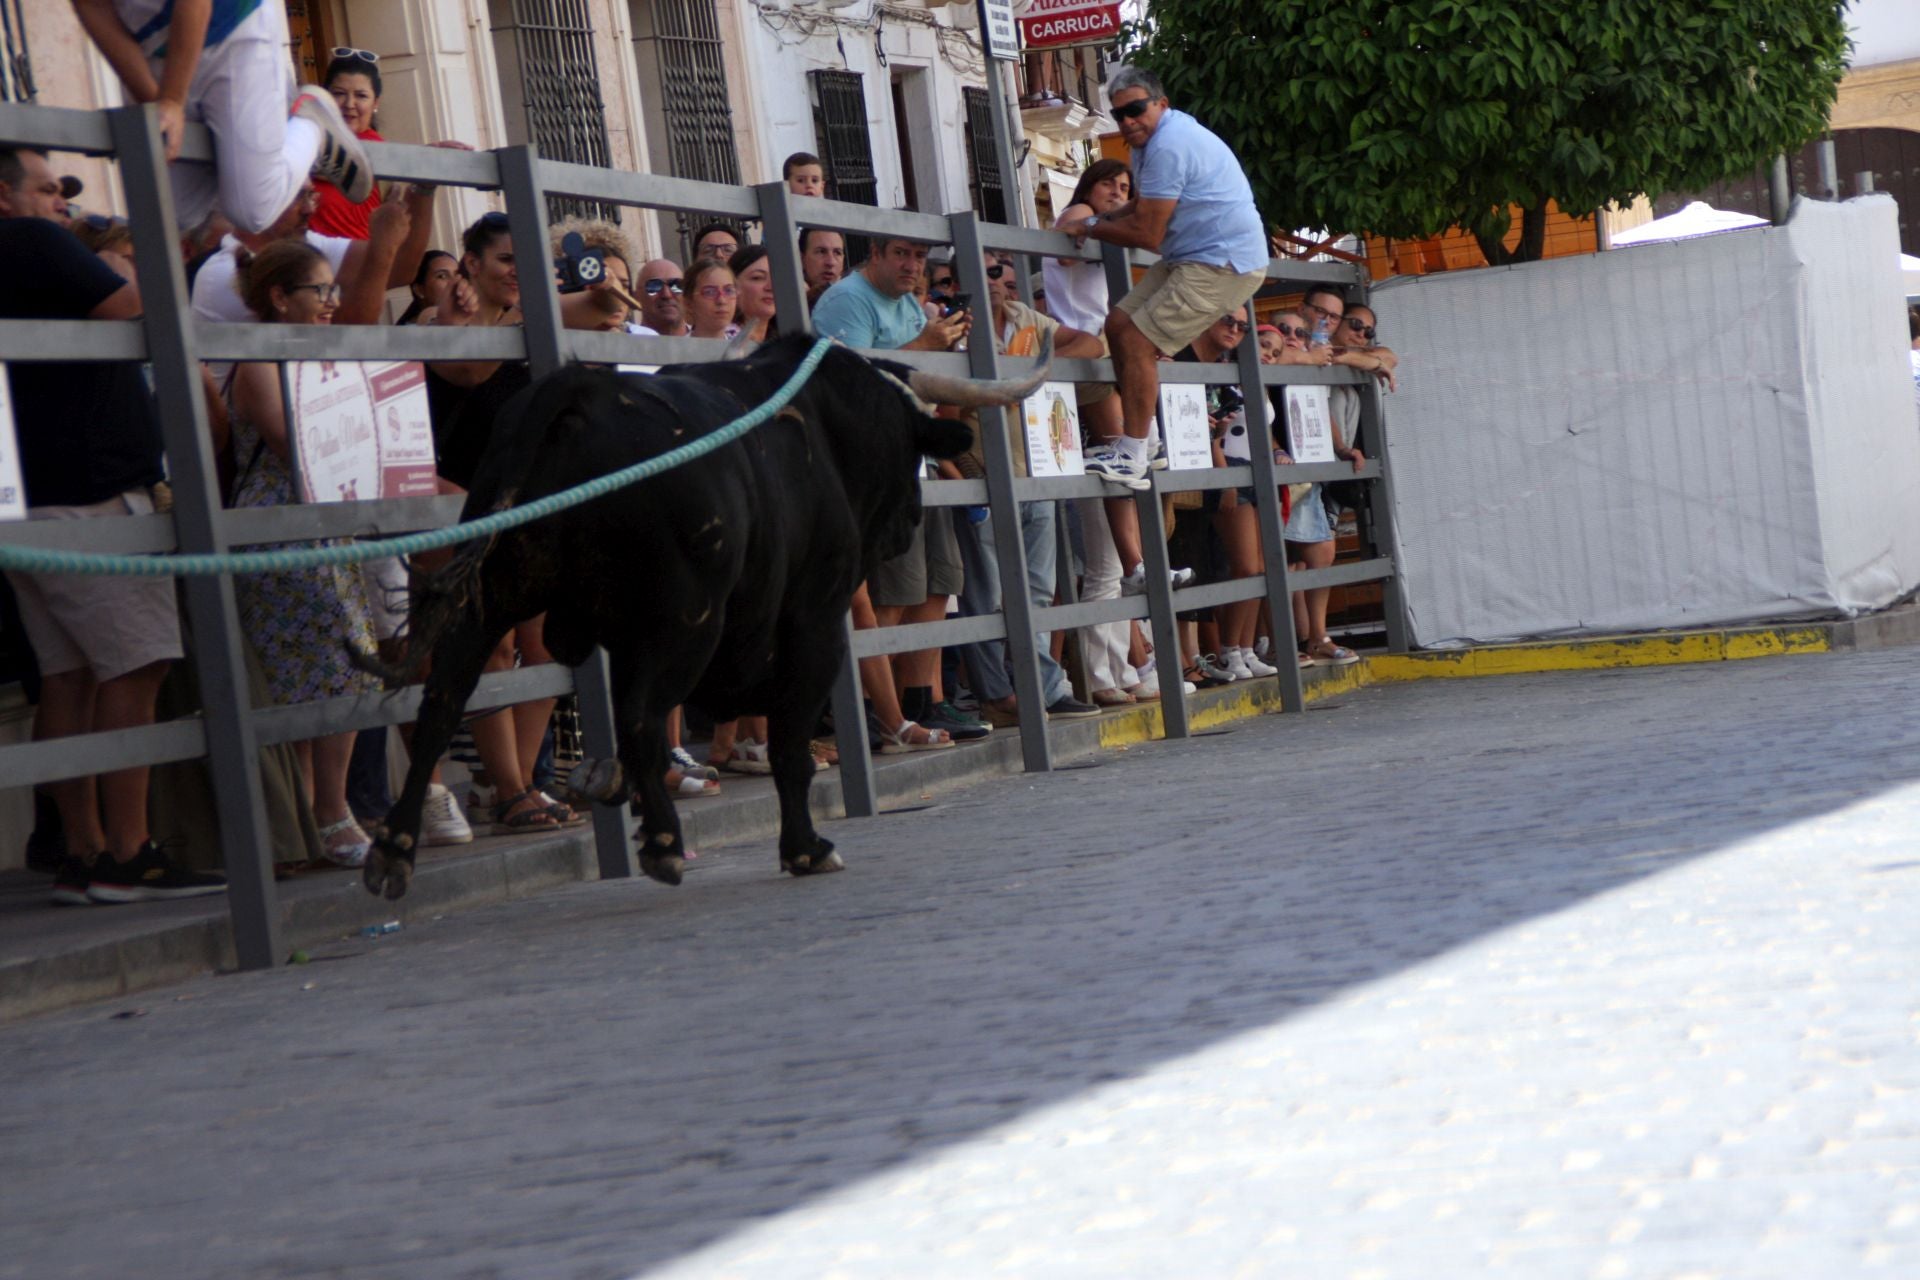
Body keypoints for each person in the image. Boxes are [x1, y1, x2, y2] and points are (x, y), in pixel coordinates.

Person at [0, 166, 226, 904]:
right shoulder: (30, 240)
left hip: (32, 496)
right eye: (44, 188)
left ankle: (84, 850)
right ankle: (126, 853)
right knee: (137, 666)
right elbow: (143, 306)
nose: (63, 201)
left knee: (68, 679)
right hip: (93, 497)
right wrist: (119, 264)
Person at [223, 241, 383, 866]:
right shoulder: (259, 361)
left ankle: (326, 807)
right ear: (279, 297)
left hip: (330, 523)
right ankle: (309, 813)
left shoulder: (326, 356)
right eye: (320, 291)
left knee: (347, 660)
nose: (331, 303)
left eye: (332, 291)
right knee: (298, 668)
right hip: (279, 526)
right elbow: (293, 447)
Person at [1057, 66, 1268, 497]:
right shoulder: (1149, 143)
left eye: (1136, 109)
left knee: (1136, 339)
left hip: (1221, 262)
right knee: (1118, 326)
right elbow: (1140, 207)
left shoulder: (1170, 145)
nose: (1128, 121)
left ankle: (1131, 453)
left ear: (1161, 104)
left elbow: (1147, 235)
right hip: (1192, 256)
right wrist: (1102, 219)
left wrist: (1091, 225)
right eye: (1118, 115)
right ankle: (1146, 440)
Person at [811, 236, 973, 751]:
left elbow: (921, 386)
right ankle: (871, 714)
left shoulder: (907, 303)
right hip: (870, 467)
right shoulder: (846, 300)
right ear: (874, 254)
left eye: (920, 257)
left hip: (917, 458)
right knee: (892, 594)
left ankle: (917, 704)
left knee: (938, 585)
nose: (913, 265)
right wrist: (926, 346)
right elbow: (845, 383)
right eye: (901, 254)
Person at [953, 249, 1105, 724]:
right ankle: (997, 696)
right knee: (986, 594)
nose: (994, 279)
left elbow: (1091, 343)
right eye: (980, 271)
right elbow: (943, 409)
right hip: (981, 475)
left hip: (1036, 471)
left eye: (998, 270)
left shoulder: (1027, 319)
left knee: (1038, 589)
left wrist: (1038, 366)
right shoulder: (953, 330)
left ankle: (1044, 689)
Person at [71, 0, 371, 233]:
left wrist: (173, 100)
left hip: (233, 33)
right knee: (171, 214)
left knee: (252, 209)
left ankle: (311, 124)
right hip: (157, 52)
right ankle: (244, 145)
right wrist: (154, 100)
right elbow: (92, 5)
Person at [1282, 287, 1366, 668]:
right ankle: (1292, 641)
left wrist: (1343, 448)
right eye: (1320, 313)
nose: (1324, 322)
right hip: (1284, 464)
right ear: (1303, 310)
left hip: (1313, 464)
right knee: (1289, 558)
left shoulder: (1323, 356)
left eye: (1333, 316)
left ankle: (1313, 637)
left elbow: (1318, 408)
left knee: (1314, 555)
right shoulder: (1286, 350)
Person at [309, 49, 384, 240]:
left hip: (358, 262)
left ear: (376, 102)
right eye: (339, 94)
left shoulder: (380, 149)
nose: (349, 104)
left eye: (361, 96)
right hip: (305, 260)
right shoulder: (309, 135)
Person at [730, 244, 777, 342]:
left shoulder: (784, 342)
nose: (771, 287)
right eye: (757, 278)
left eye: (776, 277)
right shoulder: (721, 340)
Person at [396, 249, 456, 325]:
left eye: (457, 274)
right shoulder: (409, 333)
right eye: (442, 276)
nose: (454, 282)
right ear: (419, 290)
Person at [684, 257, 737, 340]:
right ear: (689, 303)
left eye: (729, 290)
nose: (721, 300)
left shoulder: (746, 351)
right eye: (710, 292)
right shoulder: (674, 351)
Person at [636, 258, 686, 336]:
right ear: (637, 295)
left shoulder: (706, 342)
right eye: (654, 286)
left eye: (676, 285)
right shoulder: (623, 345)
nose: (667, 294)